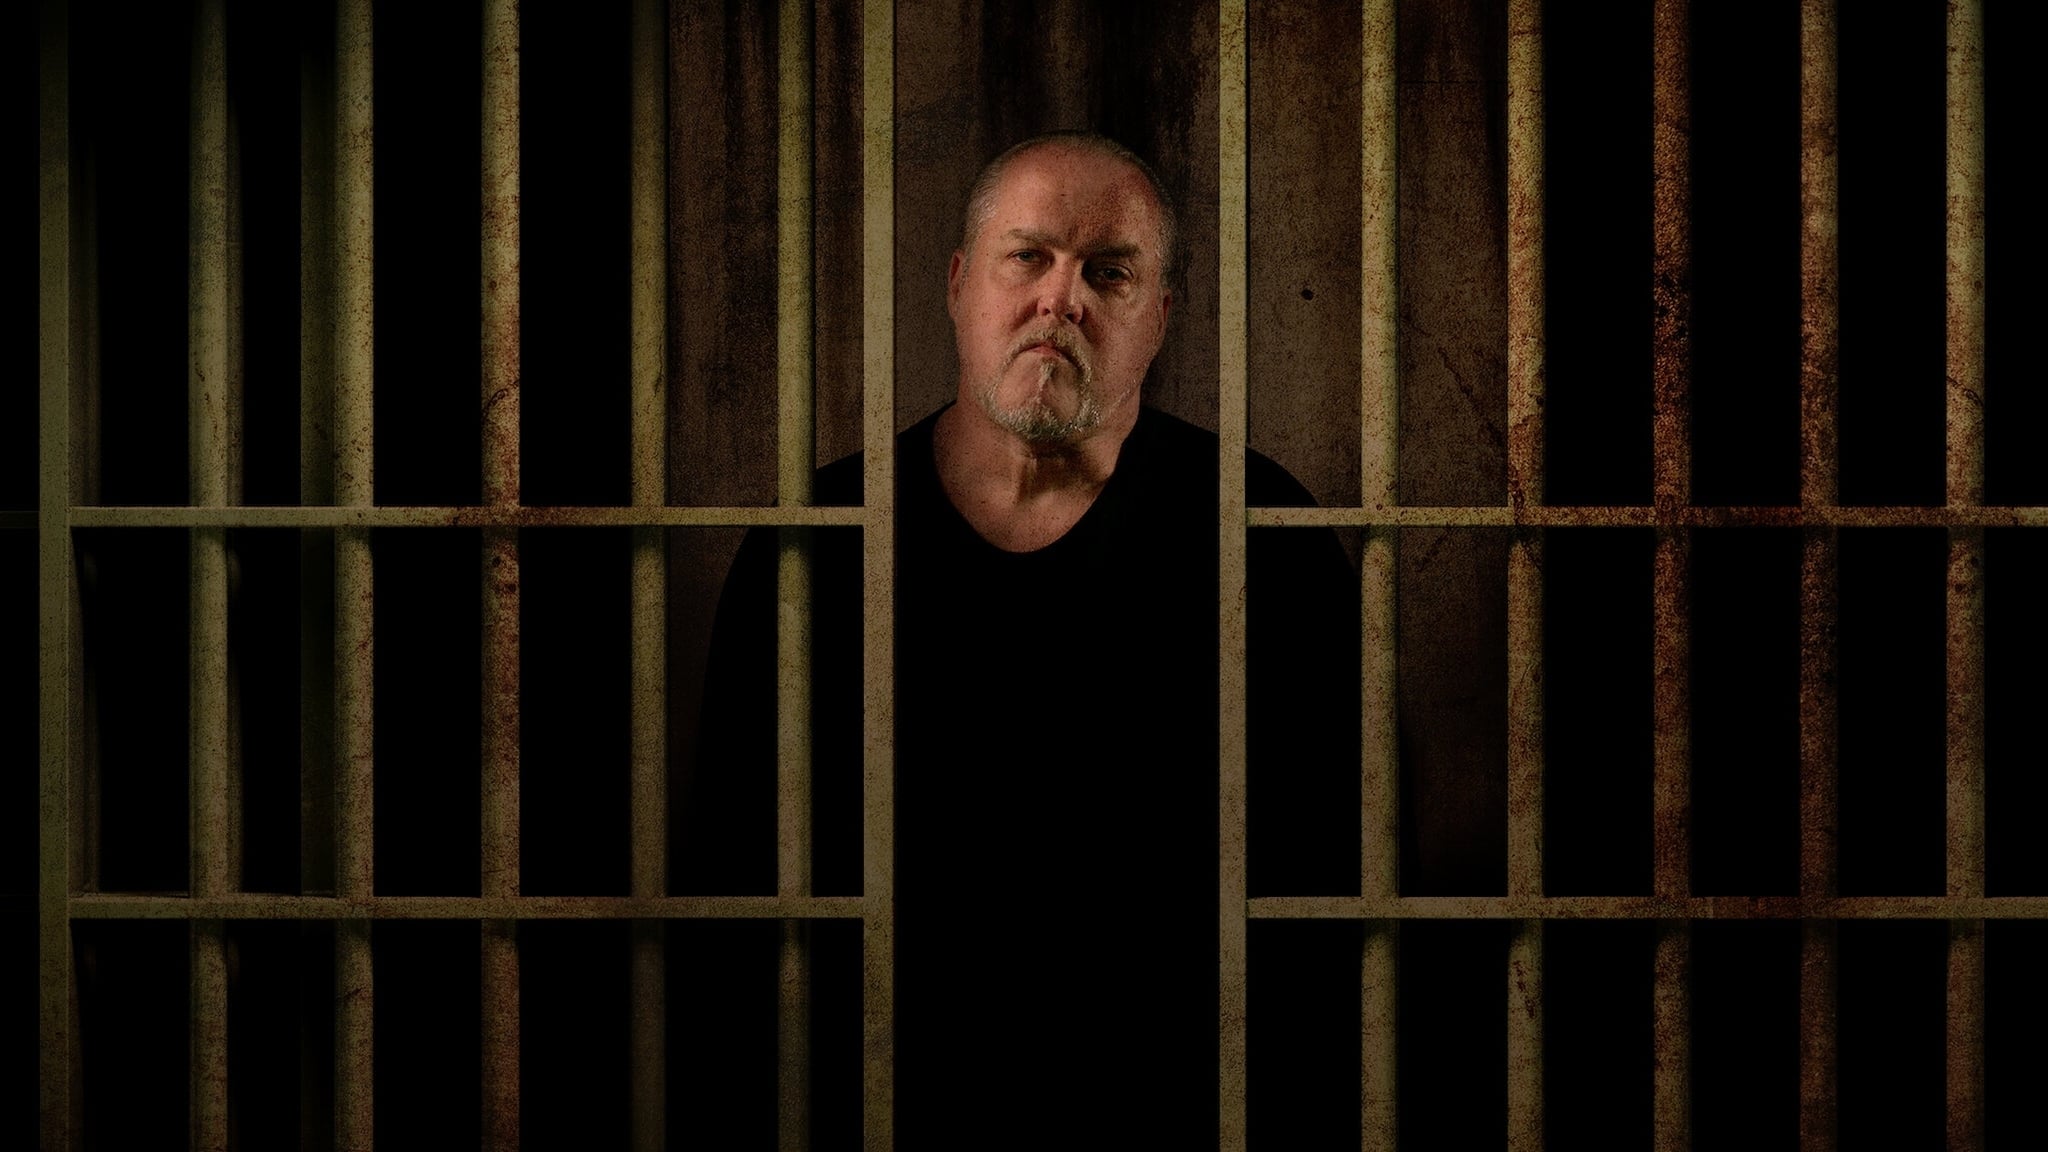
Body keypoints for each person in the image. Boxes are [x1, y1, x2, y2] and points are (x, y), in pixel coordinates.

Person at [686, 132, 1360, 1145]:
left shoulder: (1262, 533)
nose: (1060, 299)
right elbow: (733, 888)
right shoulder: (815, 540)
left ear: (1158, 317)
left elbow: (1329, 894)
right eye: (1028, 257)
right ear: (959, 285)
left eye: (1107, 272)